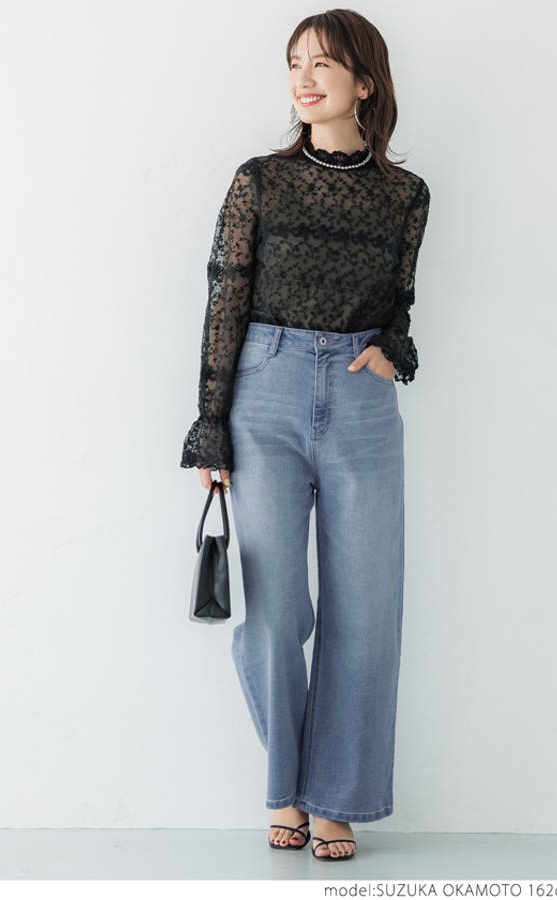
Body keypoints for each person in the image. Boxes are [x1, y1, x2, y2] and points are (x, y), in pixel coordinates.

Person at [180, 10, 431, 861]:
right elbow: (225, 296)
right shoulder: (260, 181)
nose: (304, 78)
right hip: (267, 390)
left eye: (323, 64)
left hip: (361, 402)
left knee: (367, 609)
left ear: (365, 82)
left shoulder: (406, 195)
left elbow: (399, 305)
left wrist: (392, 352)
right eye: (295, 63)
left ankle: (336, 799)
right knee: (276, 609)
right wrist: (211, 424)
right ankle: (286, 784)